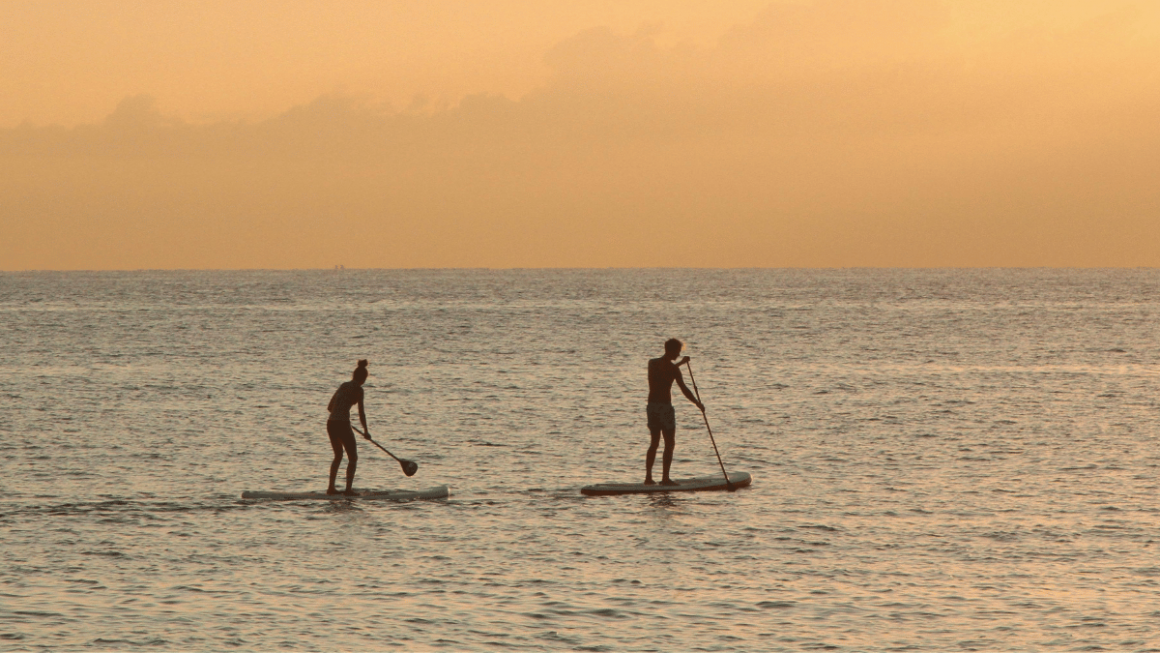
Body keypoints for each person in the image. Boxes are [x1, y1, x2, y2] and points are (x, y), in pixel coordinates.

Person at [645, 339, 703, 485]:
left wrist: (680, 364)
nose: (678, 354)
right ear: (670, 350)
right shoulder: (671, 369)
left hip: (652, 407)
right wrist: (697, 403)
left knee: (654, 443)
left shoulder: (653, 364)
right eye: (677, 351)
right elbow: (683, 389)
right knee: (669, 444)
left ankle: (649, 478)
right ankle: (664, 478)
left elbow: (667, 372)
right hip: (664, 408)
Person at [326, 359, 372, 495]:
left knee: (338, 455)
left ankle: (331, 488)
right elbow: (361, 413)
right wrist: (366, 431)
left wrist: (341, 416)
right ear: (363, 379)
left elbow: (330, 407)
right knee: (353, 458)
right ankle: (348, 490)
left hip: (331, 423)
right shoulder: (359, 389)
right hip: (341, 424)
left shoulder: (343, 385)